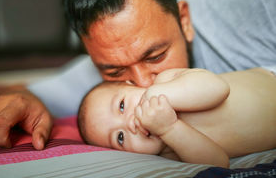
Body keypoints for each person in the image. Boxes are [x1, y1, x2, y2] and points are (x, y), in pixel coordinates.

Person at [0, 0, 276, 150]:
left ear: (184, 20)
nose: (141, 85)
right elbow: (29, 97)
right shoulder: (105, 79)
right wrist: (20, 100)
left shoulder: (254, 3)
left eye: (155, 56)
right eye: (114, 72)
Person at [78, 67, 276, 168]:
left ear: (132, 84)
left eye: (122, 105)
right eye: (120, 137)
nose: (130, 123)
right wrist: (169, 129)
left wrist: (157, 96)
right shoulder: (171, 153)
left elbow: (218, 88)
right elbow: (219, 163)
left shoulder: (166, 80)